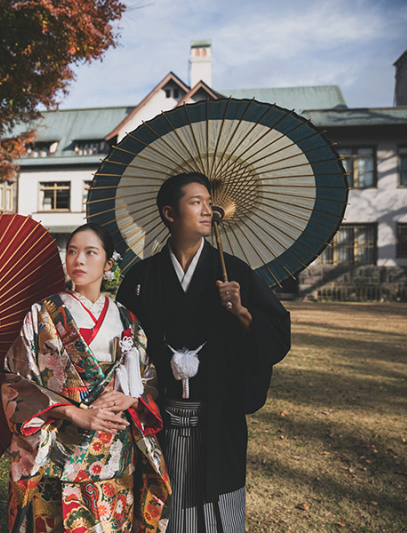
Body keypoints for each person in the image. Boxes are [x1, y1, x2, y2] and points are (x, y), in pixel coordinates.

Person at [116, 172, 291, 533]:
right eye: (196, 202)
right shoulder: (142, 277)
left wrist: (243, 313)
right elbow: (124, 344)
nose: (208, 210)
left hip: (217, 417)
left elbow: (278, 333)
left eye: (210, 203)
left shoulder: (235, 273)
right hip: (159, 419)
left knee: (218, 514)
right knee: (163, 508)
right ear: (169, 213)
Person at [1, 223, 171, 533]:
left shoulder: (126, 318)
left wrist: (132, 397)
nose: (78, 260)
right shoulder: (42, 314)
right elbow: (17, 382)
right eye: (72, 251)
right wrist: (73, 412)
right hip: (58, 452)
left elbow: (149, 378)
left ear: (108, 264)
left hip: (115, 453)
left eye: (90, 252)